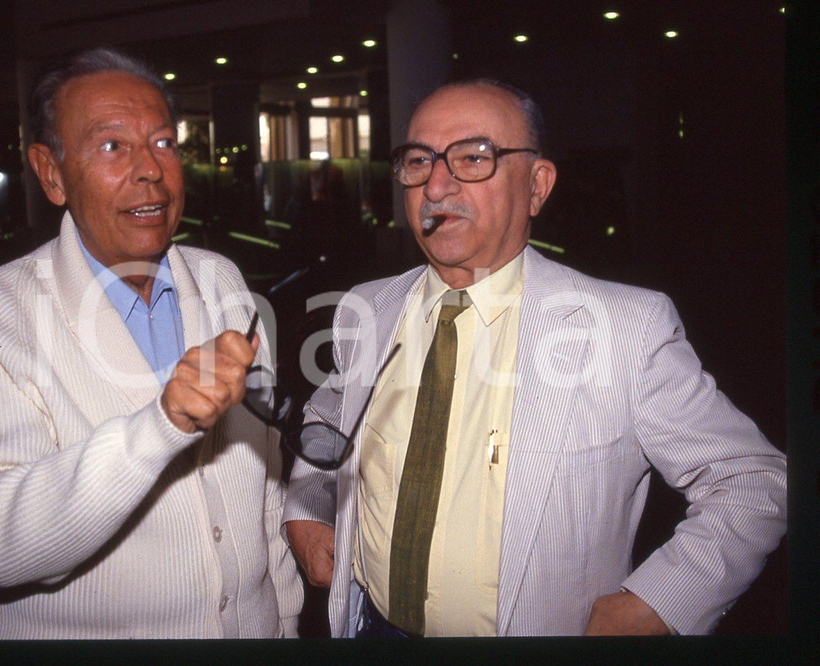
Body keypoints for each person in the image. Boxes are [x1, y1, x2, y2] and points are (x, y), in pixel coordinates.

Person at [282, 79, 786, 637]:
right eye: (419, 160)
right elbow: (326, 422)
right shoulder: (367, 307)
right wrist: (305, 505)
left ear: (537, 186)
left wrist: (661, 602)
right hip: (369, 625)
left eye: (474, 158)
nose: (437, 184)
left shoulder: (624, 329)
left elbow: (753, 479)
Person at [0, 48, 302, 639]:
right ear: (52, 173)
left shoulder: (221, 282)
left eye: (163, 142)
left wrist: (286, 618)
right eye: (112, 146)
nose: (150, 171)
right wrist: (160, 424)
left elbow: (262, 477)